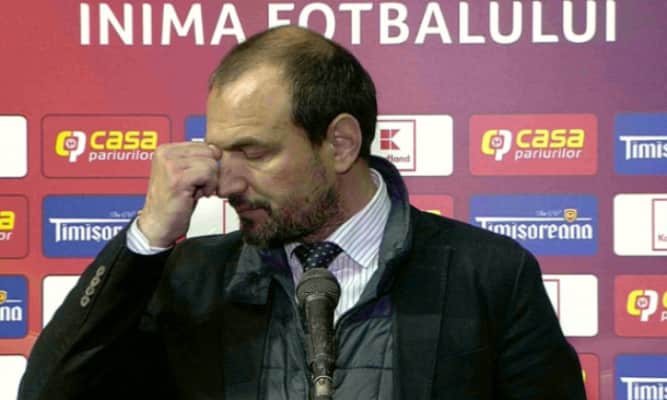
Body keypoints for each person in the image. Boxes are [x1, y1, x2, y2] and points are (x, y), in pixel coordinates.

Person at [19, 26, 585, 400]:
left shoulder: (488, 274)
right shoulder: (191, 279)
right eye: (220, 152)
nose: (226, 182)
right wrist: (146, 240)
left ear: (339, 144)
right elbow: (51, 391)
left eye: (254, 153)